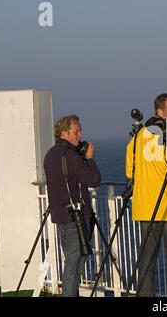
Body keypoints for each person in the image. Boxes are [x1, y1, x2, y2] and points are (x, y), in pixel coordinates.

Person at [125, 93, 167, 296]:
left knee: (146, 261)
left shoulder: (137, 138)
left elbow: (130, 171)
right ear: (160, 112)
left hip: (145, 207)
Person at [44, 115, 101, 297]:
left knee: (72, 262)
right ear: (64, 133)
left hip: (61, 217)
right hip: (75, 219)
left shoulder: (51, 154)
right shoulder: (70, 156)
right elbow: (93, 180)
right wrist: (89, 159)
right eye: (76, 131)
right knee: (74, 266)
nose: (80, 134)